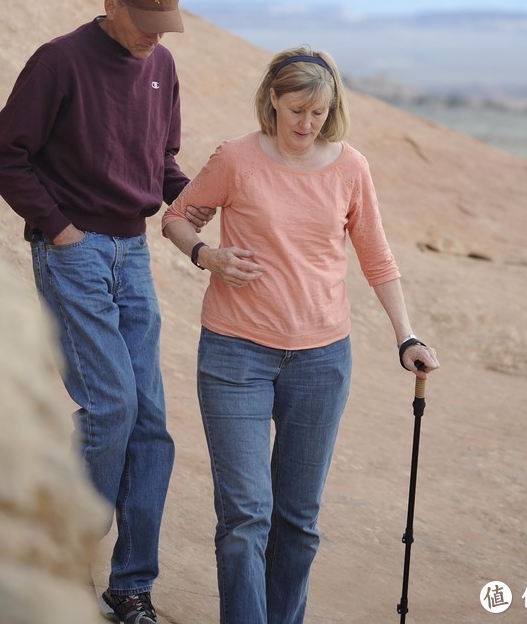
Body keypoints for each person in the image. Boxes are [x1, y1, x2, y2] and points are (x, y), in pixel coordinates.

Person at [161, 45, 440, 624]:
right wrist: (206, 255)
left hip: (320, 363)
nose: (307, 125)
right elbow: (178, 216)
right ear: (272, 101)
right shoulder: (236, 158)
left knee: (297, 520)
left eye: (318, 113)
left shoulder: (350, 167)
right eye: (296, 111)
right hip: (235, 353)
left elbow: (377, 260)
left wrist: (406, 337)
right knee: (244, 515)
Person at [0, 0, 213, 624]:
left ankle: (131, 586)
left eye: (163, 26)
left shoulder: (161, 67)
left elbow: (162, 164)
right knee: (109, 405)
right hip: (76, 252)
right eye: (144, 22)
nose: (152, 37)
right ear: (110, 3)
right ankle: (58, 572)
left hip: (133, 252)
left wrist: (204, 205)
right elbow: (3, 155)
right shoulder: (58, 62)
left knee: (150, 421)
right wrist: (58, 230)